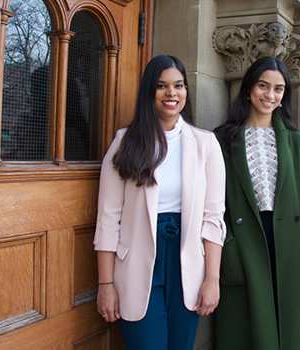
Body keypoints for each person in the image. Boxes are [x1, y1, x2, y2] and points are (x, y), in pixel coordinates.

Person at [93, 55, 226, 350]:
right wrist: (105, 284)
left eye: (178, 86)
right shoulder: (124, 143)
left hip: (187, 262)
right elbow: (108, 218)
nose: (171, 93)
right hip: (137, 263)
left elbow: (214, 218)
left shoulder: (205, 144)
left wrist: (212, 279)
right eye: (162, 86)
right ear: (149, 92)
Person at [213, 57, 300, 350]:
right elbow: (214, 203)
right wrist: (227, 248)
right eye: (263, 86)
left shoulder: (294, 140)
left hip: (286, 244)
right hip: (243, 240)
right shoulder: (223, 139)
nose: (270, 95)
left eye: (279, 89)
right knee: (244, 328)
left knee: (285, 327)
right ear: (248, 89)